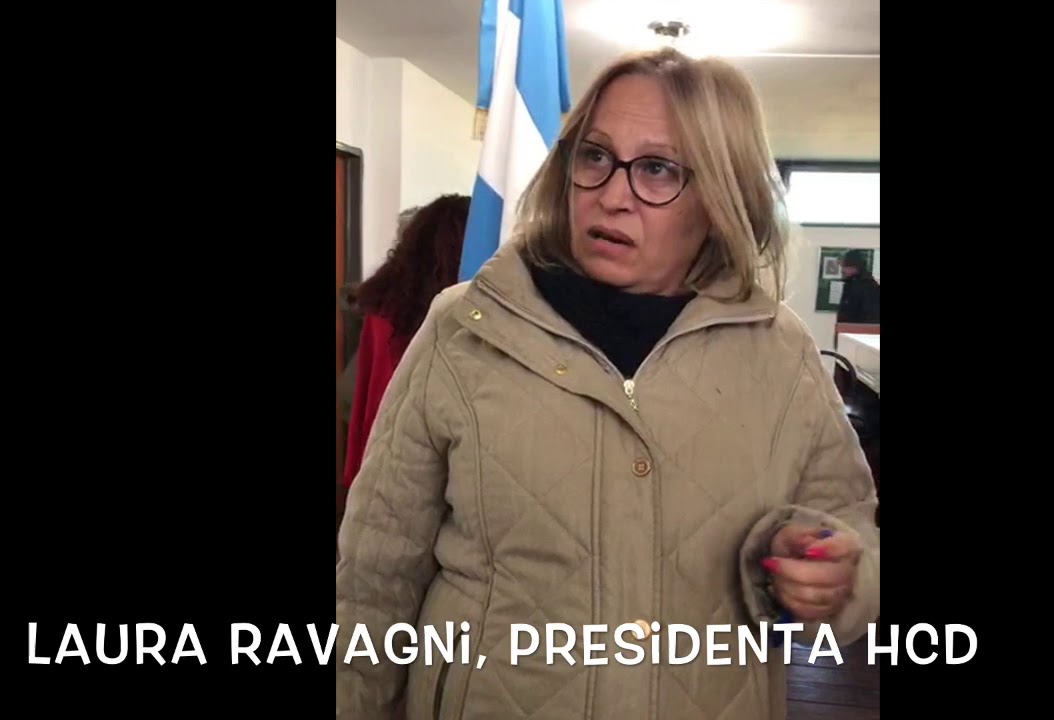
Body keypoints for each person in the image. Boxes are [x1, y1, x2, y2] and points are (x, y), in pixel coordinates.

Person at [336, 47, 879, 720]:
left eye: (657, 169)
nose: (613, 195)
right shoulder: (463, 328)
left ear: (721, 197)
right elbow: (375, 574)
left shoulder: (781, 351)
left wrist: (834, 573)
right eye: (595, 156)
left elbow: (851, 523)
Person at [340, 194, 470, 497]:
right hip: (433, 466)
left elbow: (366, 405)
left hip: (382, 463)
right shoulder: (463, 316)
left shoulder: (384, 307)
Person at [836, 249, 880, 325]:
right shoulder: (850, 284)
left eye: (844, 266)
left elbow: (871, 317)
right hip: (846, 329)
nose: (842, 270)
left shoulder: (868, 286)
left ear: (854, 266)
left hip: (859, 330)